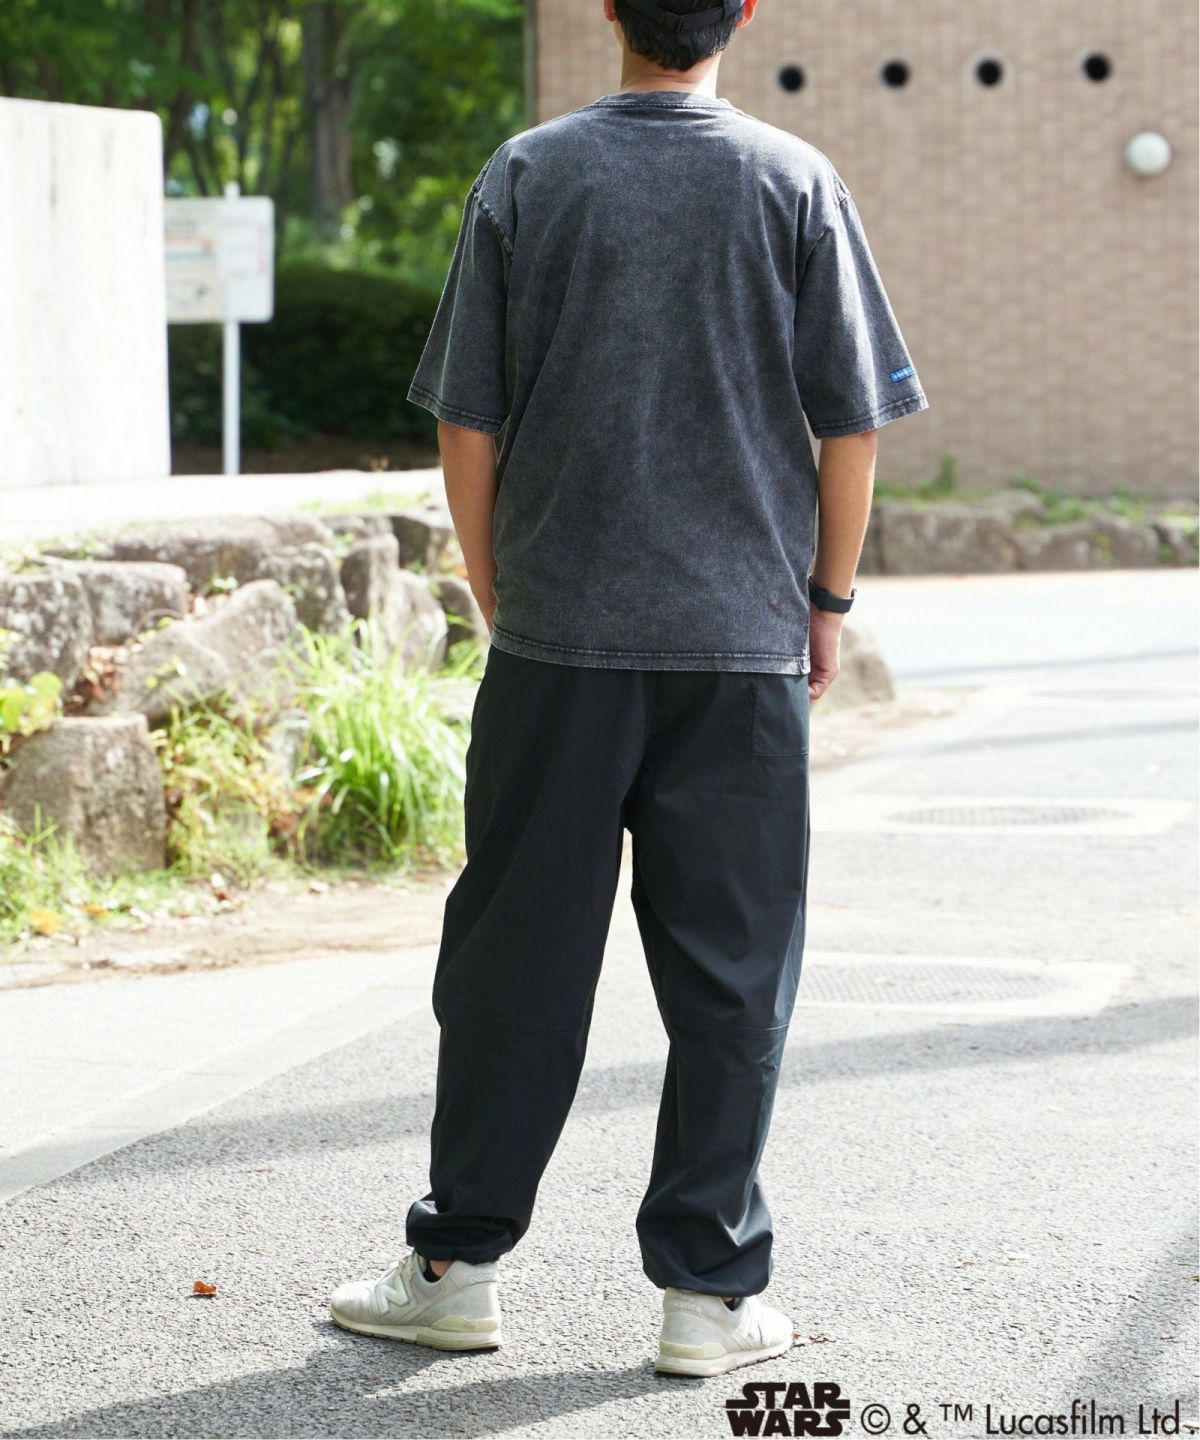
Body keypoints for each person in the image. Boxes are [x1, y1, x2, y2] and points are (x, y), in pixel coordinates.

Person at [330, 0, 928, 1378]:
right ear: (745, 10)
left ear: (607, 6)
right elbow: (853, 423)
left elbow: (466, 415)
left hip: (559, 646)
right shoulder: (795, 182)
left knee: (514, 964)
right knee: (732, 978)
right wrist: (827, 603)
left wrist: (498, 587)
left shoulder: (529, 175)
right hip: (740, 653)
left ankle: (455, 1269)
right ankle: (707, 1297)